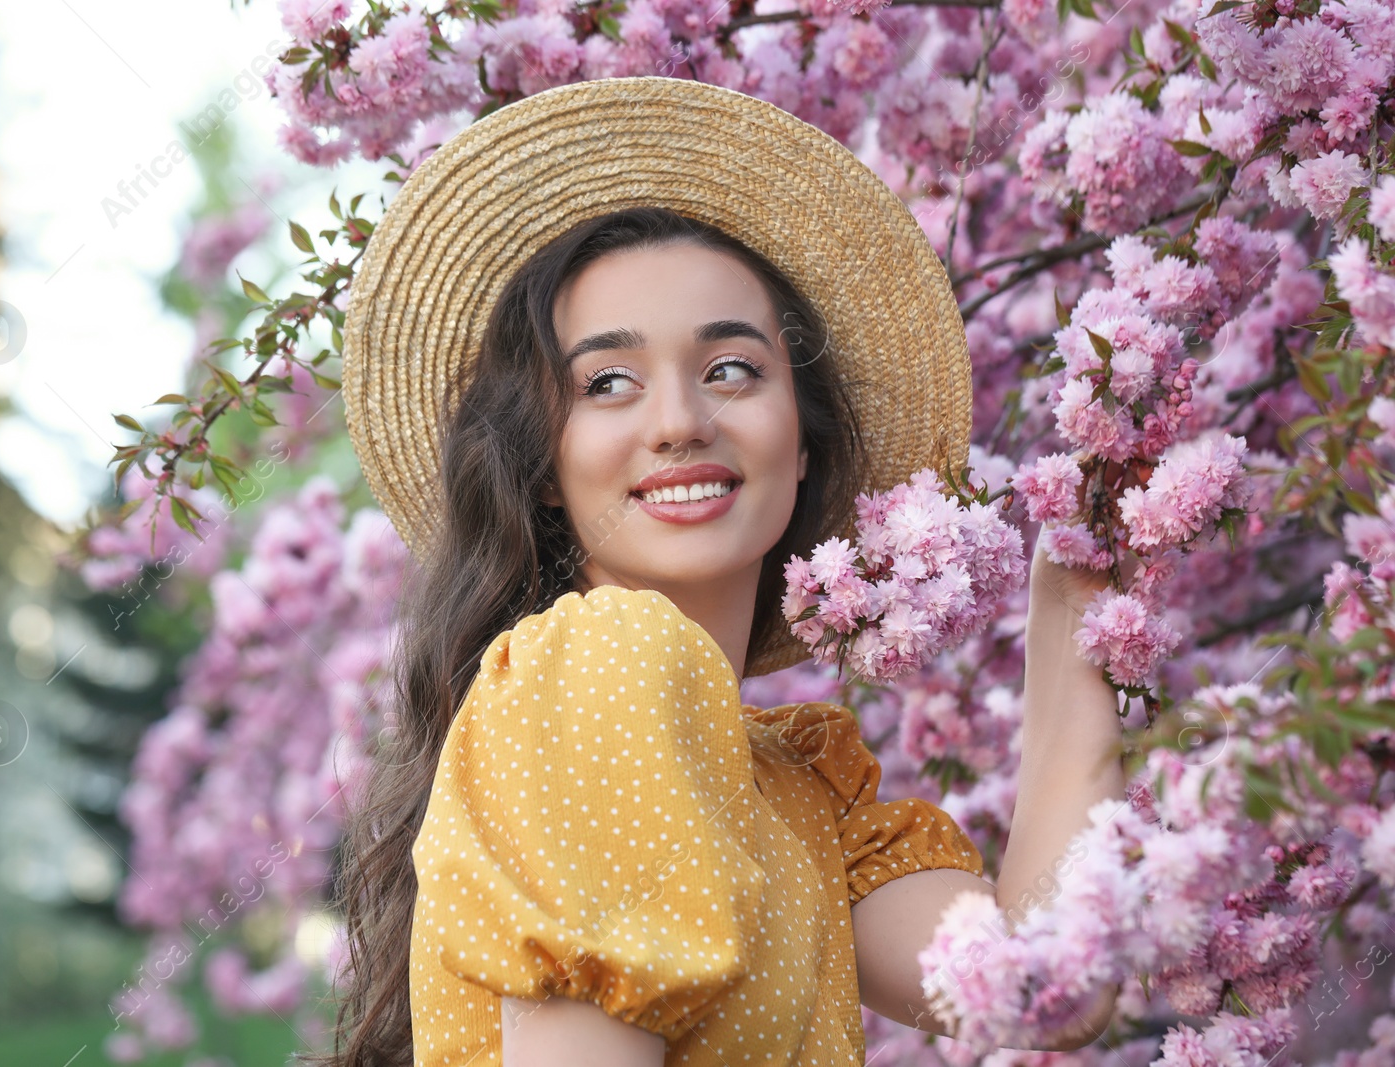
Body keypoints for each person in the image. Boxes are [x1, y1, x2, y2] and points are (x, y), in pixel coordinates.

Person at [311, 77, 1126, 1067]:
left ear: (804, 440)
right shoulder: (601, 659)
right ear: (545, 468)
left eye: (731, 367)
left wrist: (1072, 597)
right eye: (606, 381)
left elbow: (1046, 981)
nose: (679, 420)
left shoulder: (798, 789)